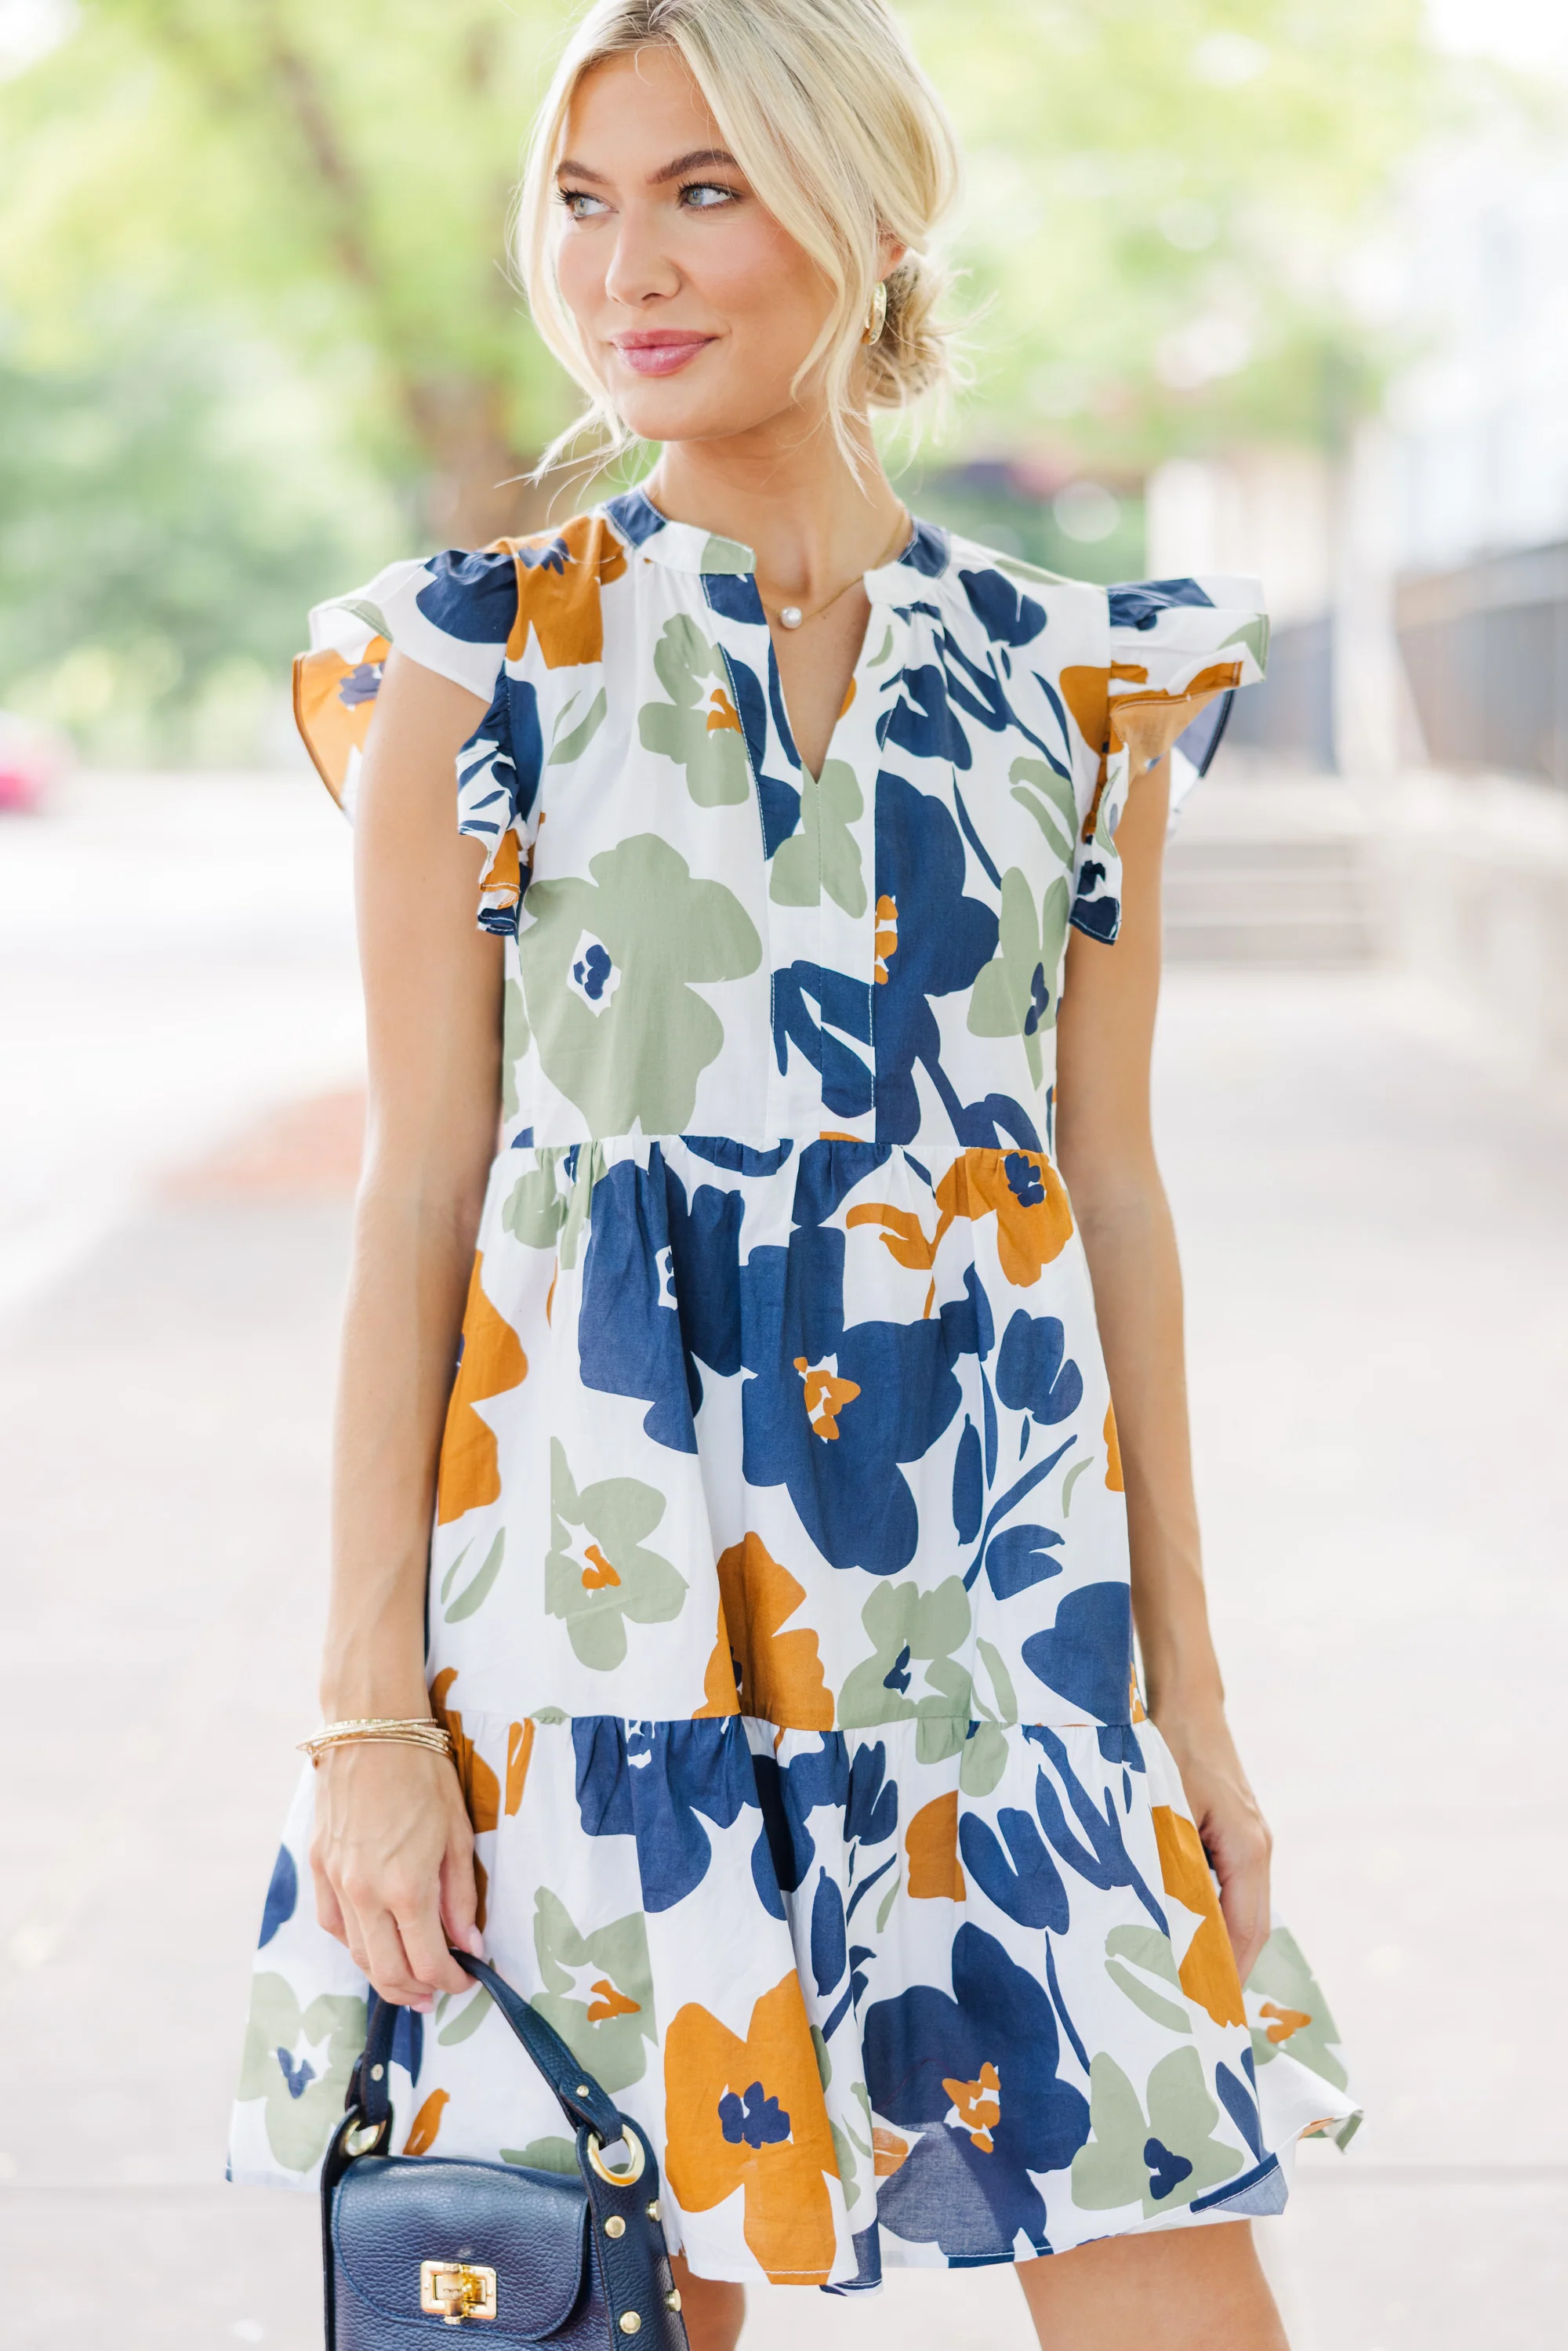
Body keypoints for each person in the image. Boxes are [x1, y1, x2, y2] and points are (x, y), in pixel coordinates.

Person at [230, 2, 1359, 2342]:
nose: (621, 265)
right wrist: (366, 1726)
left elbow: (1108, 1198)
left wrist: (1194, 1700)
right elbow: (418, 1195)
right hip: (595, 1625)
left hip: (1000, 1643)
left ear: (870, 211)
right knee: (613, 2302)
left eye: (703, 188)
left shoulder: (1078, 686)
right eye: (582, 198)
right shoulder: (478, 664)